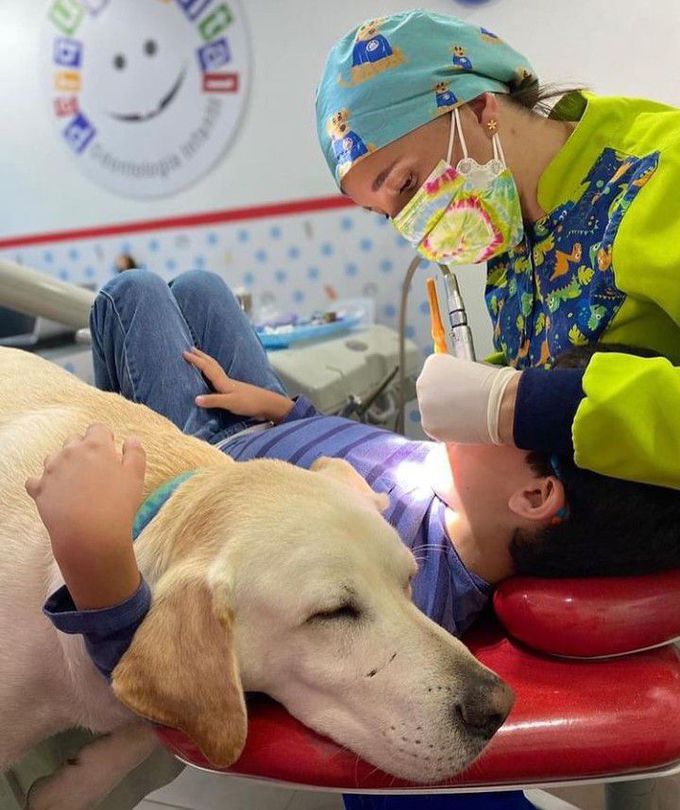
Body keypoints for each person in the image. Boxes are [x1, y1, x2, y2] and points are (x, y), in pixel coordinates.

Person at [28, 271, 680, 810]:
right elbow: (340, 453)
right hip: (271, 419)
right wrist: (284, 410)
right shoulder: (439, 486)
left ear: (534, 496)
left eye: (500, 414)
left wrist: (96, 549)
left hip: (215, 461)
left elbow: (184, 649)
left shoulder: (402, 574)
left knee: (136, 292)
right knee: (200, 289)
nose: (476, 408)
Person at [315, 9, 680, 491]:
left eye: (405, 183)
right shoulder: (511, 234)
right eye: (386, 214)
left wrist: (513, 403)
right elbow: (550, 360)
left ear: (481, 108)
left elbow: (540, 394)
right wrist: (480, 386)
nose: (410, 222)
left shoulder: (655, 176)